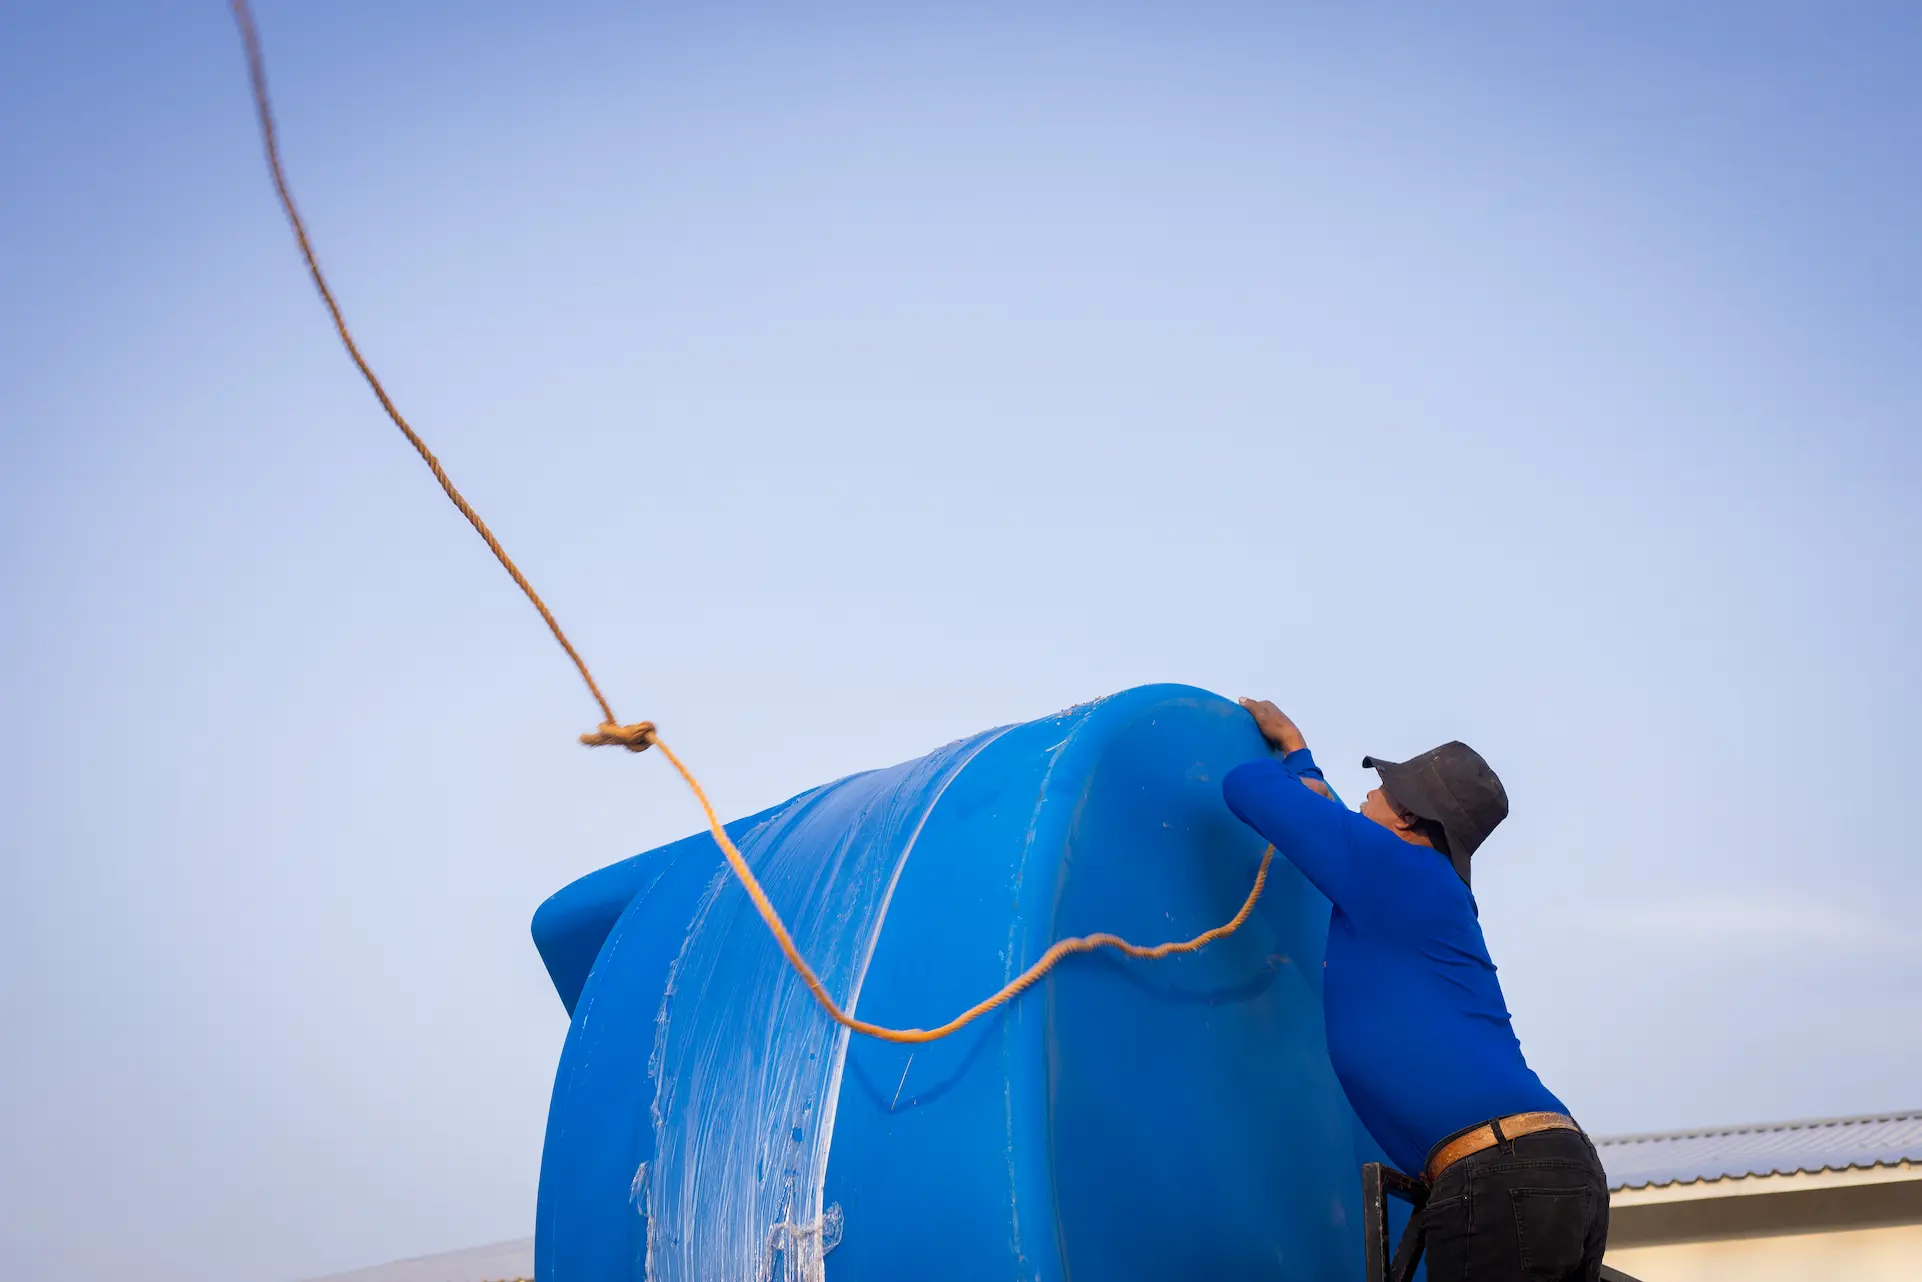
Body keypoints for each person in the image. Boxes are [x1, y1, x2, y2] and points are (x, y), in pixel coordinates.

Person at [1222, 698, 1609, 1282]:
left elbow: (1245, 786)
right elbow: (1326, 827)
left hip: (1500, 1172)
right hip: (1540, 1170)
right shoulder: (1413, 882)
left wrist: (1288, 759)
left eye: (1379, 789)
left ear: (1405, 816)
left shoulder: (1394, 870)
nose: (1365, 796)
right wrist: (1299, 757)